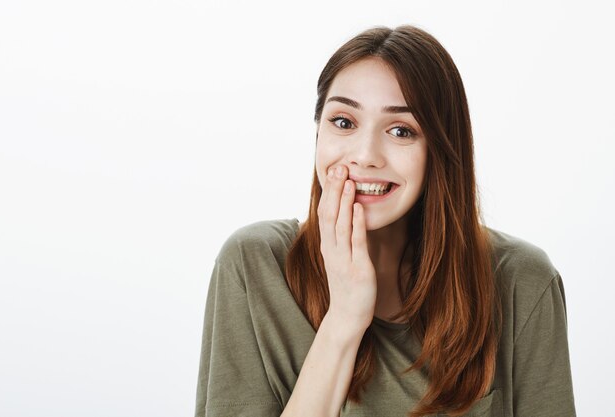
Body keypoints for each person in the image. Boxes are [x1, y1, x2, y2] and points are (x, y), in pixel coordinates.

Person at [194, 25, 577, 417]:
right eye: (343, 122)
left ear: (440, 150)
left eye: (400, 130)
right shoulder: (254, 266)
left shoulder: (522, 282)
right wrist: (344, 318)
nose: (365, 155)